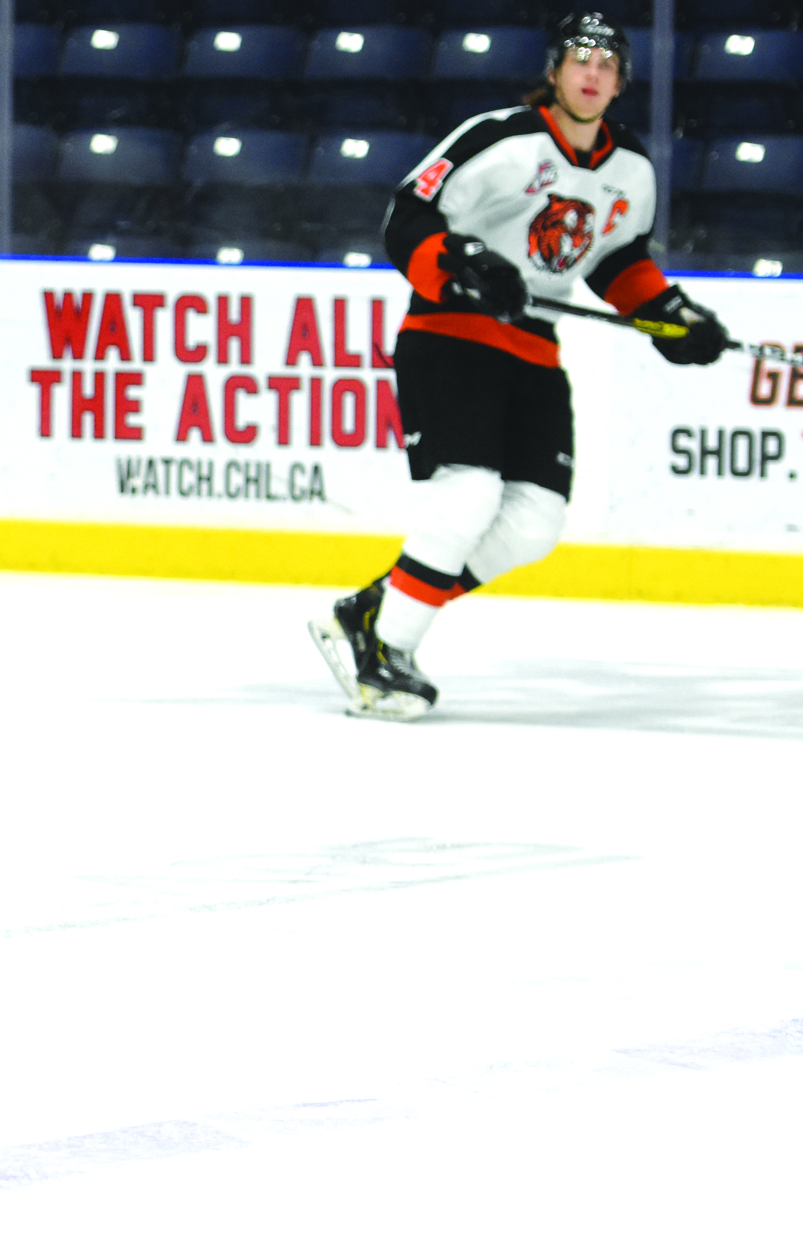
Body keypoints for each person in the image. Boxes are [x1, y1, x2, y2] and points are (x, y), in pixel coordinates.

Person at [309, 11, 730, 720]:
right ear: (556, 70)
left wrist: (674, 317)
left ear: (621, 82)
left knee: (534, 522)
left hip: (535, 350)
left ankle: (373, 611)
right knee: (468, 494)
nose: (592, 75)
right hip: (450, 334)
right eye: (580, 61)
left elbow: (620, 263)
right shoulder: (500, 137)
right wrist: (465, 263)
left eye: (607, 65)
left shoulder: (630, 169)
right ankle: (383, 655)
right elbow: (408, 216)